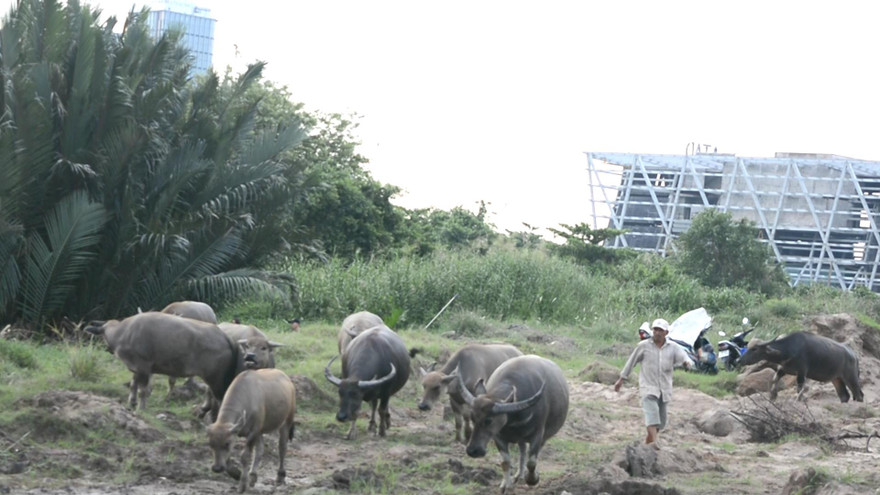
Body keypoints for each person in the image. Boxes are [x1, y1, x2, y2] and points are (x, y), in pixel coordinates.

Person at [614, 318, 693, 449]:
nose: (657, 333)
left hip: (664, 389)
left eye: (660, 330)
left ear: (666, 333)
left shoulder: (673, 347)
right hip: (648, 387)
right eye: (655, 329)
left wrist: (687, 363)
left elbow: (684, 358)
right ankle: (655, 445)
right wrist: (621, 378)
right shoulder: (644, 346)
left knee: (661, 423)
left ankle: (647, 445)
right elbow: (631, 362)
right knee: (652, 415)